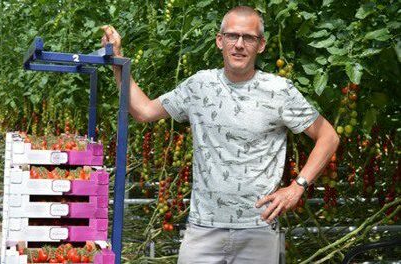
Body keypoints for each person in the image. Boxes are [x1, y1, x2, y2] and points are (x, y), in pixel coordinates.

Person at [101, 5, 339, 264]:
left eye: (248, 37)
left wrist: (297, 187)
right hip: (203, 229)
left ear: (261, 45)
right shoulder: (199, 86)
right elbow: (144, 111)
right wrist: (118, 62)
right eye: (232, 36)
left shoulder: (279, 91)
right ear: (219, 41)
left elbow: (328, 136)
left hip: (258, 230)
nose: (239, 44)